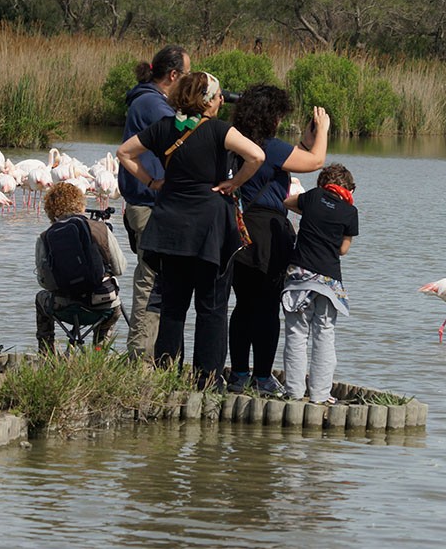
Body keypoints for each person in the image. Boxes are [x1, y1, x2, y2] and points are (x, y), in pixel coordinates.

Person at [116, 71, 265, 389]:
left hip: (170, 225)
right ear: (208, 99)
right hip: (209, 228)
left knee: (172, 306)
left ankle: (167, 376)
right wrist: (233, 183)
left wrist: (153, 182)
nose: (222, 100)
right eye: (219, 95)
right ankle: (207, 380)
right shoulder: (219, 131)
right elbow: (257, 155)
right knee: (211, 308)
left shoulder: (164, 127)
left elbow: (124, 153)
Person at [226, 85, 330, 396]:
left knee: (242, 305)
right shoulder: (269, 146)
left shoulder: (234, 140)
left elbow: (290, 159)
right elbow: (315, 162)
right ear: (270, 117)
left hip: (237, 228)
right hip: (267, 232)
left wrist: (305, 141)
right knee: (267, 306)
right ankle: (262, 376)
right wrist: (323, 130)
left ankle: (239, 374)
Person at [119, 44, 191, 361]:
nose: (189, 83)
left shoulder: (147, 99)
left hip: (148, 204)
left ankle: (154, 355)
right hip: (149, 206)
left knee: (157, 281)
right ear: (173, 75)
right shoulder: (152, 104)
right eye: (187, 76)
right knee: (150, 282)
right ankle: (141, 359)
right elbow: (188, 135)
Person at [281, 163, 358, 404]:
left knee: (296, 334)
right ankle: (320, 394)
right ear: (348, 188)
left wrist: (312, 214)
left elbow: (288, 202)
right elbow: (343, 250)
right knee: (324, 335)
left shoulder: (313, 197)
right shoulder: (349, 212)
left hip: (298, 279)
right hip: (328, 282)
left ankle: (293, 392)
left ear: (323, 183)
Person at [35, 183, 127, 353]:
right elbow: (120, 268)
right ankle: (99, 354)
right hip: (101, 307)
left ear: (50, 209)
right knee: (115, 306)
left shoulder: (45, 237)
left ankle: (47, 354)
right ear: (81, 204)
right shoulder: (100, 229)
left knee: (40, 298)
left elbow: (46, 283)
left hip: (63, 307)